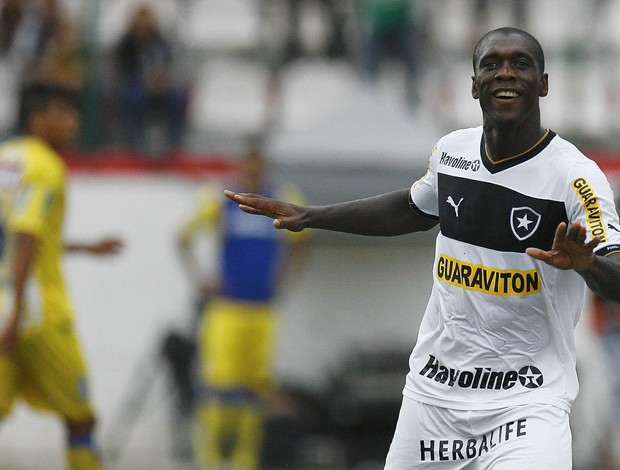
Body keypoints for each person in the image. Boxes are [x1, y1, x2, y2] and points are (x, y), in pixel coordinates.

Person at [225, 27, 620, 468]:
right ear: (474, 84)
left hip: (525, 404)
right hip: (434, 400)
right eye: (491, 64)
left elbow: (616, 273)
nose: (505, 73)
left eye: (520, 64)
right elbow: (411, 209)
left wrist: (588, 265)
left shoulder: (575, 176)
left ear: (543, 83)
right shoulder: (452, 152)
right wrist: (312, 215)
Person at [0, 82, 122, 470]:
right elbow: (25, 233)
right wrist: (16, 310)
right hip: (37, 315)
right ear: (37, 120)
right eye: (63, 115)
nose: (73, 123)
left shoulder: (6, 158)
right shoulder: (46, 167)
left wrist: (84, 248)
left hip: (4, 306)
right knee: (81, 418)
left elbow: (18, 237)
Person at [177, 147, 310, 469]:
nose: (253, 173)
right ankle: (210, 458)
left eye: (258, 167)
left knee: (256, 390)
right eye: (248, 167)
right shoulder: (221, 198)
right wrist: (202, 281)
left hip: (263, 310)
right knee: (220, 388)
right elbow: (183, 238)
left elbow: (303, 240)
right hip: (227, 309)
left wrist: (283, 282)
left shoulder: (281, 196)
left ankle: (244, 460)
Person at [112, 4, 185, 157]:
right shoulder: (125, 44)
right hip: (134, 86)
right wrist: (143, 81)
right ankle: (133, 143)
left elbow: (168, 65)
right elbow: (121, 70)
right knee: (133, 100)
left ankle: (174, 144)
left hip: (159, 87)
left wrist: (160, 79)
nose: (143, 28)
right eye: (140, 24)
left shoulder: (160, 42)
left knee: (177, 100)